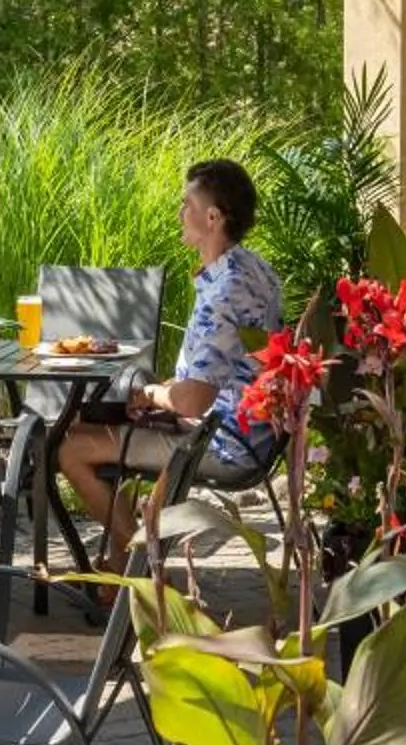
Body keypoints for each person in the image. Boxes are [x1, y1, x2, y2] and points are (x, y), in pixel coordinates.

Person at [57, 159, 282, 549]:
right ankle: (120, 563)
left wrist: (150, 395)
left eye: (187, 205)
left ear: (212, 217)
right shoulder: (255, 269)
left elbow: (195, 399)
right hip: (250, 431)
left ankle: (134, 570)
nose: (180, 213)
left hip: (224, 442)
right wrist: (161, 397)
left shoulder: (225, 290)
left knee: (71, 447)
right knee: (110, 426)